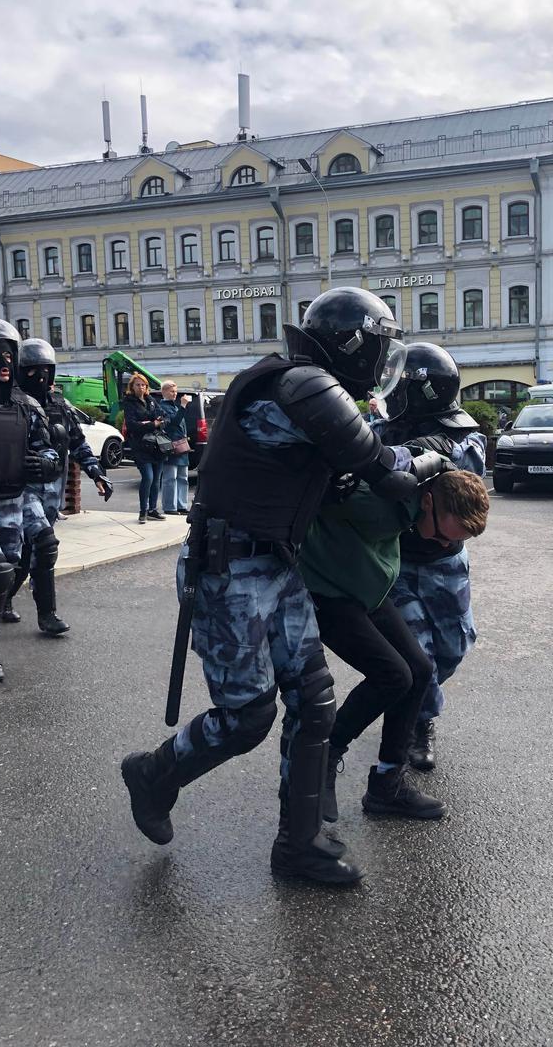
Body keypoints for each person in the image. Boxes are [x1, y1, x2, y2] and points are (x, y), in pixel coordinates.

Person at [120, 287, 445, 887]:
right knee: (247, 717)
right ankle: (154, 774)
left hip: (275, 564)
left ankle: (300, 845)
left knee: (313, 698)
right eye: (377, 348)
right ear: (354, 345)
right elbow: (389, 473)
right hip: (229, 572)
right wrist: (435, 461)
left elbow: (311, 469)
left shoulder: (302, 385)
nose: (380, 361)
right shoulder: (305, 386)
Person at [301, 469, 489, 823]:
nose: (443, 546)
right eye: (442, 536)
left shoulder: (420, 490)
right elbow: (314, 500)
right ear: (428, 502)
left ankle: (386, 786)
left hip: (367, 588)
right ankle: (322, 759)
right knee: (393, 676)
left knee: (420, 671)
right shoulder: (376, 504)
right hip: (327, 591)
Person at [374, 342, 487, 772]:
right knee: (416, 653)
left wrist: (426, 451)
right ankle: (418, 722)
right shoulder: (382, 433)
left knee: (454, 646)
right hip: (397, 562)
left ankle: (415, 703)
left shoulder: (463, 436)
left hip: (445, 562)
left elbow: (468, 465)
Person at [0, 320, 60, 682]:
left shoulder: (28, 407)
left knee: (2, 579)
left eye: (9, 355)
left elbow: (47, 449)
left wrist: (47, 463)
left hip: (12, 504)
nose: (4, 362)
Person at [3, 338, 113, 632]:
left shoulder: (60, 406)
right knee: (44, 543)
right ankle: (47, 615)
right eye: (32, 370)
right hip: (22, 490)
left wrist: (96, 472)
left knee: (28, 554)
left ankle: (3, 599)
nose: (39, 377)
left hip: (51, 490)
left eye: (45, 370)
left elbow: (78, 443)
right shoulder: (10, 404)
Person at [123, 374, 167, 523]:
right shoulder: (129, 402)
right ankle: (143, 511)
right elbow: (132, 425)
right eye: (138, 385)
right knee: (148, 477)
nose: (141, 387)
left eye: (143, 385)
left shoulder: (151, 400)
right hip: (141, 446)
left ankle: (153, 510)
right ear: (132, 387)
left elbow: (163, 416)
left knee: (156, 479)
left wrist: (153, 422)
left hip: (156, 445)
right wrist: (152, 424)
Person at [157, 381, 191, 516]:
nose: (175, 394)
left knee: (183, 477)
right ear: (164, 392)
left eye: (176, 391)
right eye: (172, 391)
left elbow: (181, 426)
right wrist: (183, 406)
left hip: (181, 446)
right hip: (170, 447)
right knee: (170, 478)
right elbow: (174, 423)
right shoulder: (162, 407)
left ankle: (181, 505)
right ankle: (170, 506)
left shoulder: (175, 407)